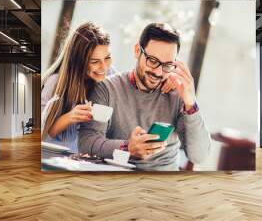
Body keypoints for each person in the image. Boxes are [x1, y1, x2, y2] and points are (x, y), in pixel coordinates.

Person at [79, 23, 211, 171]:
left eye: (167, 65)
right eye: (153, 61)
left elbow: (199, 156)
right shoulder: (107, 90)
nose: (159, 72)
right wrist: (127, 147)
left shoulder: (178, 95)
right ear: (137, 51)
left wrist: (190, 102)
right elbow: (87, 142)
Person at [41, 22, 113, 153]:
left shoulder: (110, 74)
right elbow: (43, 132)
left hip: (86, 158)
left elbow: (130, 82)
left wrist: (163, 80)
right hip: (54, 157)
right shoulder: (55, 83)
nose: (104, 67)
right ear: (79, 61)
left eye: (107, 58)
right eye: (95, 61)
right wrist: (70, 117)